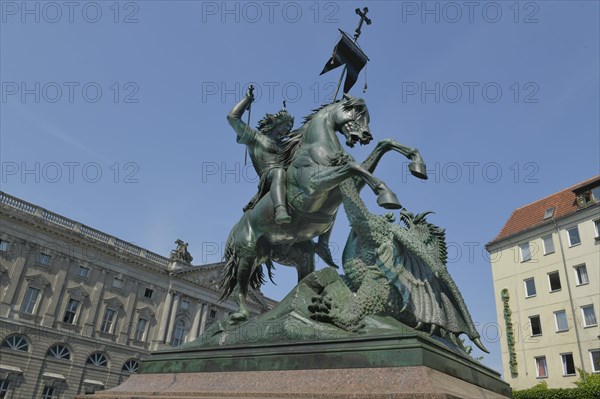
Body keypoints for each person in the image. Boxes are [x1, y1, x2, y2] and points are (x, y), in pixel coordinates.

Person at [227, 86, 293, 224]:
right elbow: (232, 117)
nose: (288, 129)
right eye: (286, 125)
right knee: (278, 172)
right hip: (268, 176)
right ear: (277, 123)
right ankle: (280, 210)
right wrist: (247, 100)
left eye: (290, 127)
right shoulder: (256, 137)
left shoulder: (285, 145)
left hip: (286, 175)